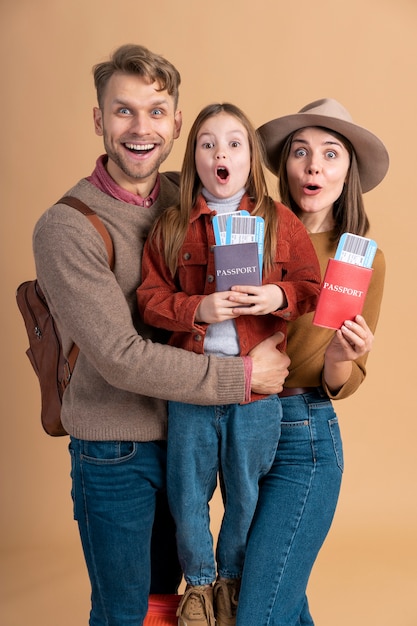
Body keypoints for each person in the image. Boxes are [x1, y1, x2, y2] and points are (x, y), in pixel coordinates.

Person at [31, 45, 290, 626]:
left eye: (156, 111)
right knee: (125, 611)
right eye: (123, 111)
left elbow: (275, 236)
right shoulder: (67, 226)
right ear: (99, 121)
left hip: (190, 438)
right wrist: (243, 377)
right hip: (116, 449)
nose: (141, 128)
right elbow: (121, 359)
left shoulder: (192, 197)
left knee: (179, 607)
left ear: (178, 123)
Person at [137, 102, 321, 626]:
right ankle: (198, 587)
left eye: (234, 143)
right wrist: (196, 307)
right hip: (193, 388)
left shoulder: (278, 222)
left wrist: (275, 296)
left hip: (257, 393)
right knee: (187, 493)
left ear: (250, 158)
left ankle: (233, 582)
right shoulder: (172, 226)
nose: (221, 152)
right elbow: (149, 298)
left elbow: (309, 287)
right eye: (208, 142)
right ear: (193, 156)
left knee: (246, 493)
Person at [230, 98, 389, 625]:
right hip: (243, 425)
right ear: (284, 166)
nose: (313, 166)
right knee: (275, 598)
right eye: (300, 153)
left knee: (260, 609)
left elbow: (342, 382)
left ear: (349, 172)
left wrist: (343, 355)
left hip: (307, 434)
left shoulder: (361, 257)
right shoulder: (248, 233)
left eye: (330, 154)